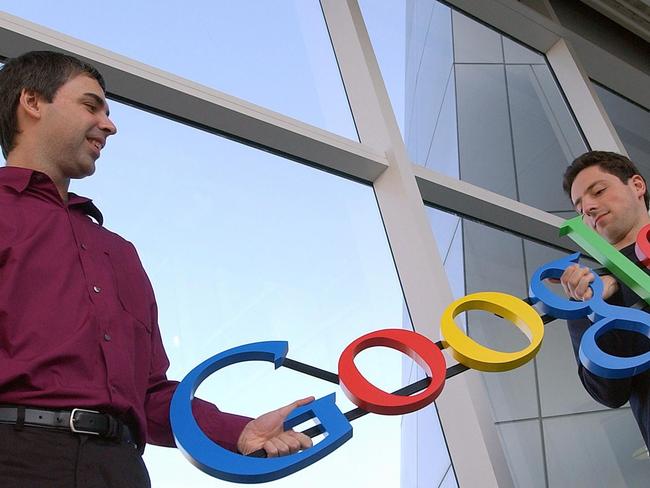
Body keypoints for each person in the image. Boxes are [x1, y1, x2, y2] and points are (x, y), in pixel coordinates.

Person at [0, 51, 312, 487]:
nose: (110, 125)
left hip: (122, 469)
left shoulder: (119, 253)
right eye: (91, 106)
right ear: (32, 102)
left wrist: (238, 431)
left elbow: (147, 393)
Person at [560, 150, 650, 450]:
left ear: (637, 185)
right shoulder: (587, 292)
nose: (589, 207)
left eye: (598, 191)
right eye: (580, 207)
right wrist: (594, 309)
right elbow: (608, 393)